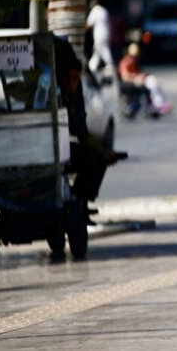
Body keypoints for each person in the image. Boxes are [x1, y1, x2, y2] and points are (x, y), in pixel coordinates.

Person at [53, 37, 121, 223]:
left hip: (62, 150)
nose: (73, 83)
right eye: (69, 78)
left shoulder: (75, 97)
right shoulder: (47, 94)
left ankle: (79, 205)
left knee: (95, 159)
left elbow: (82, 133)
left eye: (76, 79)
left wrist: (104, 152)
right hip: (42, 151)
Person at [118, 43, 170, 117]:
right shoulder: (126, 62)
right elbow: (125, 76)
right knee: (151, 84)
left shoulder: (134, 61)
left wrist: (142, 75)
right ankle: (157, 104)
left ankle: (158, 104)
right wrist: (136, 78)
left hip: (137, 80)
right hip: (130, 83)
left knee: (154, 83)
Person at [86, 0, 114, 73]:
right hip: (107, 33)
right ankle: (92, 67)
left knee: (102, 49)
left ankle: (110, 64)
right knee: (98, 50)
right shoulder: (104, 10)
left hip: (99, 35)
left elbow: (88, 24)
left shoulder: (95, 11)